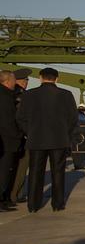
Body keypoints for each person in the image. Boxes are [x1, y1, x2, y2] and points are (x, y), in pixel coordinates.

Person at [15, 67, 80, 213]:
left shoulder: (29, 95)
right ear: (57, 78)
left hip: (36, 139)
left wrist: (30, 132)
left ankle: (33, 204)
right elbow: (73, 119)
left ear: (40, 77)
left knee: (35, 172)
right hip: (59, 140)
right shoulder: (66, 95)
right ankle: (57, 204)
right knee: (58, 172)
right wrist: (65, 133)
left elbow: (20, 118)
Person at [8, 68, 32, 203]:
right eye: (26, 80)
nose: (27, 82)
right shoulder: (21, 95)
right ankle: (14, 194)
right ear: (20, 81)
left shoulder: (11, 94)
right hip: (22, 136)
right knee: (21, 167)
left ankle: (15, 193)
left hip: (15, 135)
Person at [0, 70, 21, 211]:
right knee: (3, 171)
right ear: (7, 81)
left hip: (5, 139)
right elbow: (8, 121)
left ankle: (4, 198)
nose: (15, 83)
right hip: (7, 140)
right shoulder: (5, 97)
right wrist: (19, 135)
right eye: (14, 80)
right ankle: (1, 200)